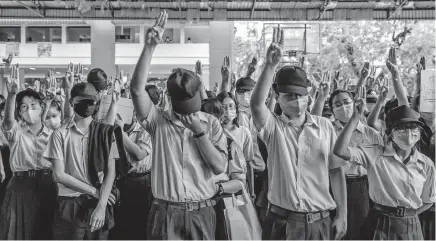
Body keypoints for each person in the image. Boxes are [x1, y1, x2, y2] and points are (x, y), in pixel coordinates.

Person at [130, 11, 227, 240]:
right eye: (184, 105)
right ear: (169, 99)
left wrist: (199, 133)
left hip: (201, 211)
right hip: (165, 212)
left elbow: (219, 166)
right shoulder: (158, 121)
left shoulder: (211, 123)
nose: (190, 111)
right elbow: (136, 90)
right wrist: (150, 47)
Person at [250, 27, 347, 240]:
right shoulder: (273, 129)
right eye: (289, 95)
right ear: (277, 95)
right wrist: (270, 65)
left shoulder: (325, 127)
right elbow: (256, 104)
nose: (296, 100)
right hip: (282, 222)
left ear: (309, 93)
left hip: (320, 221)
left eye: (300, 95)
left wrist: (342, 214)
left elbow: (336, 172)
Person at [334, 104, 435, 240]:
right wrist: (353, 120)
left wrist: (407, 214)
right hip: (379, 220)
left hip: (411, 223)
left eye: (413, 127)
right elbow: (340, 151)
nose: (409, 132)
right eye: (402, 127)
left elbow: (428, 201)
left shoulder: (426, 163)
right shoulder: (375, 154)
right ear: (390, 132)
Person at [44, 82, 121, 240]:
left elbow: (110, 171)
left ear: (97, 102)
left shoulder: (105, 132)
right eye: (81, 100)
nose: (87, 104)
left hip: (98, 202)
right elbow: (59, 175)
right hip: (70, 203)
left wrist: (102, 204)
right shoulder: (60, 134)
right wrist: (95, 192)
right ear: (72, 102)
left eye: (91, 100)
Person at [0, 79, 57, 239]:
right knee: (19, 231)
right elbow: (8, 122)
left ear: (41, 108)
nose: (29, 110)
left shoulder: (53, 134)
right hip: (20, 185)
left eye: (33, 105)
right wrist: (12, 95)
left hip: (47, 184)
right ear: (19, 111)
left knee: (45, 230)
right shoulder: (16, 132)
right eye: (24, 107)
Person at [328, 89, 383, 239]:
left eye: (346, 102)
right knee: (334, 231)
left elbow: (379, 165)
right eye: (337, 104)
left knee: (359, 231)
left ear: (354, 103)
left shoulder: (370, 133)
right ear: (332, 109)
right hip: (332, 185)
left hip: (361, 187)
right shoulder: (327, 129)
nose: (343, 107)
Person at [201, 93, 253, 239]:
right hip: (196, 207)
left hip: (222, 204)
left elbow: (240, 181)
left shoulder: (231, 145)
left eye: (213, 117)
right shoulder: (193, 143)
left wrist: (218, 188)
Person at [110, 85, 156, 240]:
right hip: (117, 181)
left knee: (138, 224)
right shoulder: (110, 126)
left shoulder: (146, 128)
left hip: (141, 181)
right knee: (119, 224)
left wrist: (120, 132)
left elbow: (138, 154)